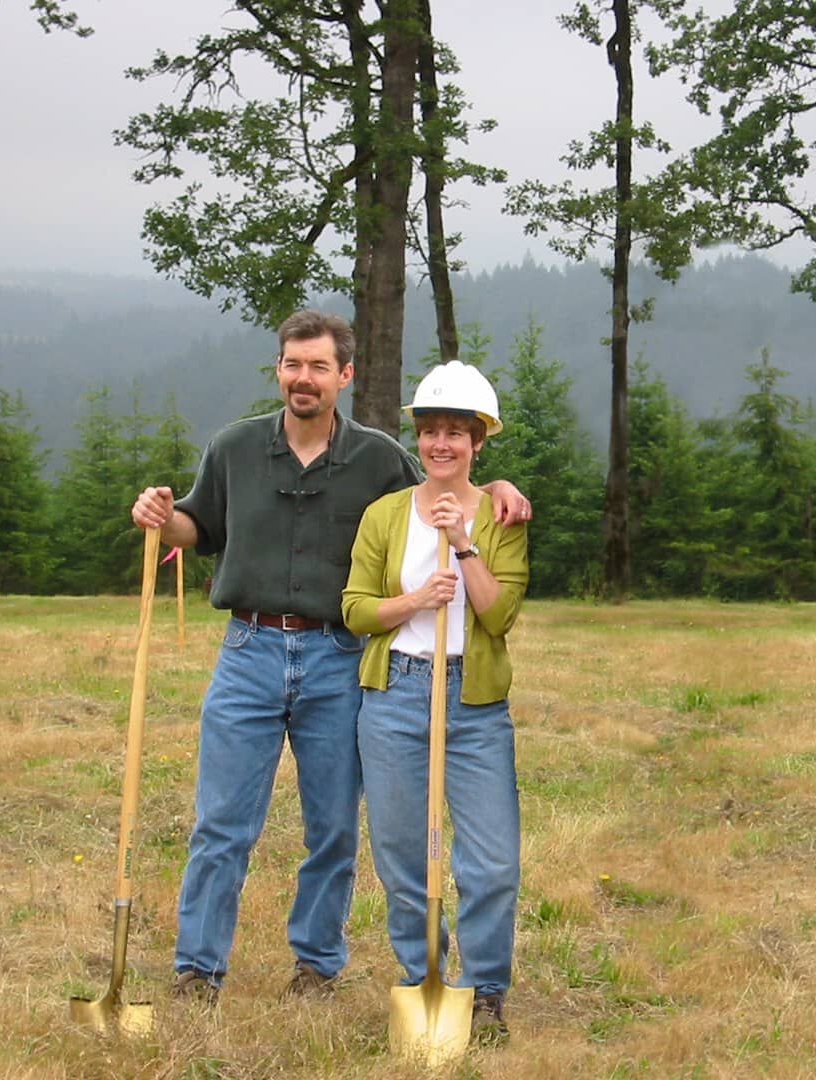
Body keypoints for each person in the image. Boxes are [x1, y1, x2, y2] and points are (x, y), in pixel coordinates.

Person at [130, 311, 530, 1003]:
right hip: (248, 650)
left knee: (334, 827)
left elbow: (440, 481)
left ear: (344, 376)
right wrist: (163, 517)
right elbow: (200, 525)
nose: (303, 378)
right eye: (292, 364)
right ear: (279, 370)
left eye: (318, 366)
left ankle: (316, 964)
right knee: (221, 821)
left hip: (337, 657)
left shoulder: (377, 457)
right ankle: (198, 968)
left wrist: (496, 491)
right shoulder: (234, 448)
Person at [341, 360, 527, 1042]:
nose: (442, 444)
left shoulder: (504, 515)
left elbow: (498, 616)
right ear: (417, 439)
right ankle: (423, 979)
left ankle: (484, 993)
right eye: (431, 431)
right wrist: (417, 599)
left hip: (473, 701)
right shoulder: (384, 516)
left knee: (492, 860)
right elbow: (356, 611)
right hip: (395, 696)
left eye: (457, 432)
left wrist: (464, 545)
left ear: (479, 442)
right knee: (401, 855)